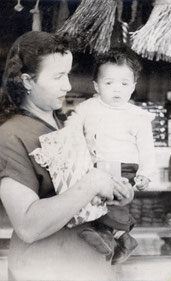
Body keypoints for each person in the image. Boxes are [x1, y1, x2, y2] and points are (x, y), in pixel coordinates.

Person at [0, 31, 133, 281]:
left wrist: (115, 192)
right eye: (58, 76)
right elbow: (28, 226)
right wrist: (91, 183)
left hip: (86, 264)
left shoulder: (62, 123)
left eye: (68, 74)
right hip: (44, 269)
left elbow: (76, 189)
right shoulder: (10, 136)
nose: (68, 86)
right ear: (28, 81)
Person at [31, 46, 155, 265]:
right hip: (93, 165)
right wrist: (67, 136)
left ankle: (107, 234)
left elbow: (147, 147)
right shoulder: (88, 107)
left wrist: (145, 173)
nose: (117, 90)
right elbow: (74, 123)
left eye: (124, 84)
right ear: (96, 86)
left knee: (112, 201)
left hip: (124, 166)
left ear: (133, 86)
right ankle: (119, 237)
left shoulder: (138, 116)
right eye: (109, 83)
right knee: (88, 199)